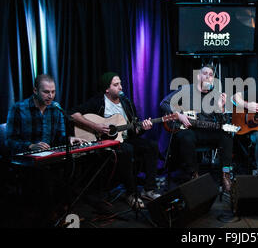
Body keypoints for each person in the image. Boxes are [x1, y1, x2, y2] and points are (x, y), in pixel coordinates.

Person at [70, 72, 161, 209]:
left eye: (120, 84)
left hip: (125, 139)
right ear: (107, 89)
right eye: (116, 84)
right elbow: (73, 114)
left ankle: (148, 189)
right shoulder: (98, 101)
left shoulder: (126, 103)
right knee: (127, 150)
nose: (120, 87)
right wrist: (96, 126)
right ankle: (131, 193)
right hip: (105, 143)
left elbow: (134, 130)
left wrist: (143, 128)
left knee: (152, 145)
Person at [5, 74, 85, 226]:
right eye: (46, 92)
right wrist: (30, 146)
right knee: (45, 175)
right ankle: (50, 216)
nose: (50, 96)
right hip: (26, 161)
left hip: (49, 157)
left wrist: (69, 139)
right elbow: (9, 141)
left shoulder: (56, 109)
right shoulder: (18, 108)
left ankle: (64, 211)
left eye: (53, 92)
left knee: (73, 165)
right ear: (35, 90)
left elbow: (61, 136)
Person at [160, 65, 233, 192]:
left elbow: (223, 123)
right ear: (199, 76)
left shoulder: (215, 95)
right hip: (190, 131)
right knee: (186, 137)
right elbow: (164, 103)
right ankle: (194, 175)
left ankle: (225, 174)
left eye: (211, 75)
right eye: (205, 73)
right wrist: (179, 115)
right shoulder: (186, 89)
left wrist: (221, 108)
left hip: (207, 131)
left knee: (227, 134)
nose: (208, 77)